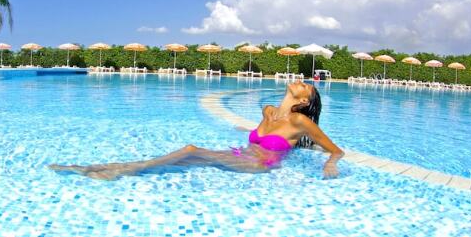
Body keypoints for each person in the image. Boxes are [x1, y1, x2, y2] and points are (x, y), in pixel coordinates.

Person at [50, 80, 343, 180]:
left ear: (304, 101)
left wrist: (330, 162)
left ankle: (118, 170)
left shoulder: (300, 122)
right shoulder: (267, 111)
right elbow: (266, 136)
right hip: (241, 154)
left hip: (259, 164)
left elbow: (336, 150)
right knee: (186, 159)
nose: (301, 81)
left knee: (191, 151)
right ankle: (107, 168)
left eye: (306, 86)